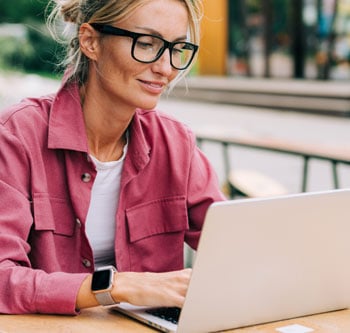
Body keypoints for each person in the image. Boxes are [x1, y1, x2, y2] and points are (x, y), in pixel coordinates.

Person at [0, 0, 225, 315]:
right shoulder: (17, 134)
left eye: (178, 48)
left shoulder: (176, 144)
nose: (166, 68)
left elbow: (237, 247)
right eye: (147, 44)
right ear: (90, 41)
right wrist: (116, 286)